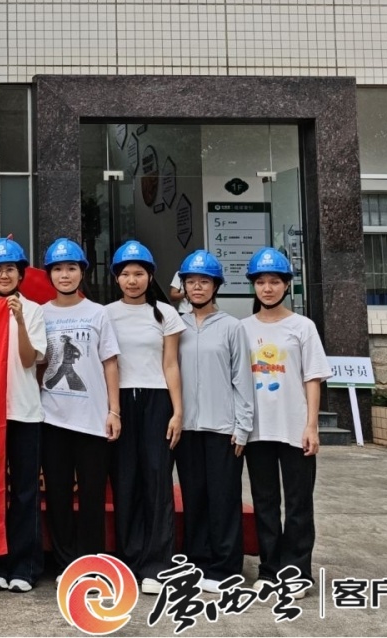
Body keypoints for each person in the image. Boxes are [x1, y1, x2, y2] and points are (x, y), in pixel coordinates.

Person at [241, 247, 330, 598]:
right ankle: (269, 569)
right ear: (253, 286)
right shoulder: (243, 328)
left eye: (274, 281)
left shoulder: (303, 327)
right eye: (261, 282)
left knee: (298, 503)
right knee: (264, 502)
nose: (267, 288)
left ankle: (296, 572)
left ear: (287, 285)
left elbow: (313, 378)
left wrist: (311, 425)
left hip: (294, 428)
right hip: (257, 430)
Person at [38, 238, 121, 582]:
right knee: (57, 495)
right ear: (49, 275)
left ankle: (90, 563)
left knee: (91, 496)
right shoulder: (41, 313)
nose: (65, 275)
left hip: (92, 420)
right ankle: (64, 564)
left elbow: (110, 362)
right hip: (52, 418)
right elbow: (37, 364)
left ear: (82, 272)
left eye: (71, 268)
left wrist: (114, 411)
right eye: (58, 269)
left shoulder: (97, 312)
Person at [104, 240, 183, 595]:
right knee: (125, 481)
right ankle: (128, 560)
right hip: (119, 400)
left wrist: (177, 411)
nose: (132, 280)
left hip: (156, 400)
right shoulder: (105, 314)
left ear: (150, 277)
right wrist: (112, 410)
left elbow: (171, 364)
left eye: (139, 273)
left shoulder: (165, 314)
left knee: (157, 481)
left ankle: (157, 564)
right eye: (125, 274)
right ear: (116, 278)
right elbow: (107, 363)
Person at [173, 249, 255, 593]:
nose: (197, 287)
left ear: (215, 286)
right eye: (191, 281)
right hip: (186, 429)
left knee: (224, 499)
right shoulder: (175, 325)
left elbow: (242, 379)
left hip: (223, 429)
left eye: (204, 281)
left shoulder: (232, 327)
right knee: (194, 498)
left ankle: (225, 567)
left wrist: (243, 427)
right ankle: (197, 562)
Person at [0, 239, 48, 594]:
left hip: (24, 412)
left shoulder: (34, 311)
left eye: (9, 269)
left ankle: (25, 566)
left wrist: (19, 319)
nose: (3, 275)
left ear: (20, 274)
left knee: (24, 492)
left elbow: (27, 360)